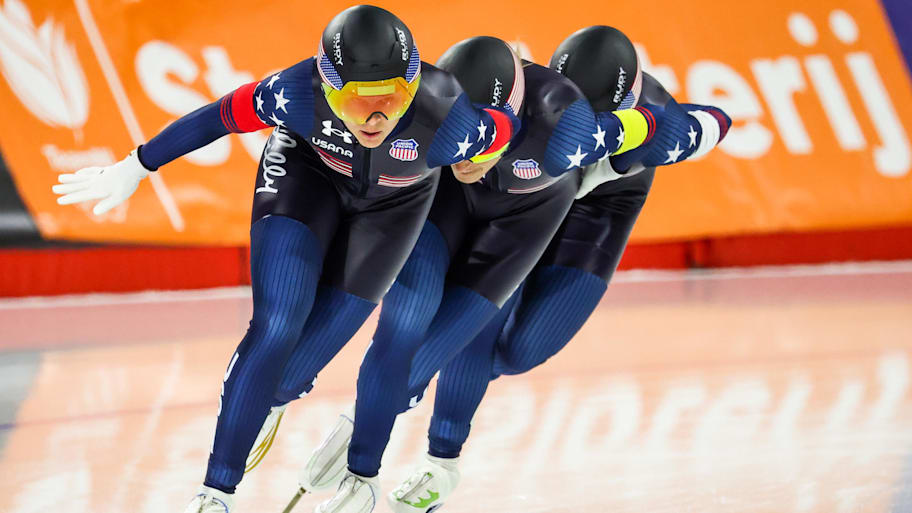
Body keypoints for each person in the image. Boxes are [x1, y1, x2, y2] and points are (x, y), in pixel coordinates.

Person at [51, 6, 524, 513]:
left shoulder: (448, 117)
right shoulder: (294, 91)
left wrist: (494, 156)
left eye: (392, 97)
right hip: (307, 180)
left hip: (394, 208)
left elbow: (503, 128)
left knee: (289, 373)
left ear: (412, 87)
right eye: (357, 101)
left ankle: (274, 398)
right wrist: (138, 164)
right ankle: (214, 493)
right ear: (327, 86)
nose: (377, 117)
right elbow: (218, 116)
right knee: (277, 324)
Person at [268, 28, 729, 513]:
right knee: (474, 311)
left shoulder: (654, 131)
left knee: (519, 351)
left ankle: (409, 397)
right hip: (506, 190)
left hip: (596, 212)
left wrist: (689, 125)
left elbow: (716, 121)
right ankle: (440, 456)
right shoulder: (543, 106)